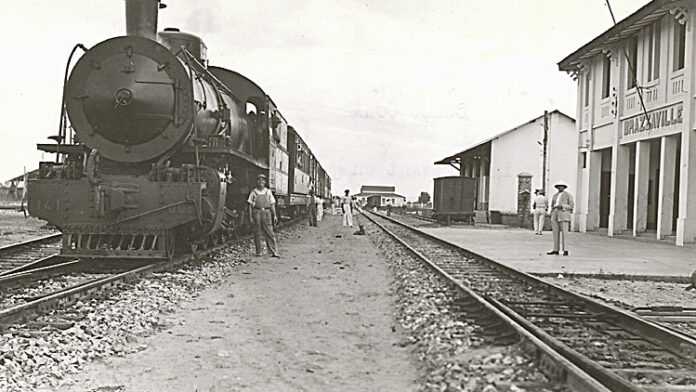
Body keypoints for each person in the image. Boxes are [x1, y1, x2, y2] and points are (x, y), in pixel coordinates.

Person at [247, 174, 280, 257]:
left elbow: (272, 204)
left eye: (263, 180)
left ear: (265, 182)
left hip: (266, 212)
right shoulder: (253, 192)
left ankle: (273, 251)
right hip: (256, 212)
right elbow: (250, 206)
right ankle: (259, 252)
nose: (261, 182)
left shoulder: (268, 192)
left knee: (269, 232)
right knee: (257, 233)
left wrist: (275, 215)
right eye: (259, 180)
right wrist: (250, 216)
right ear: (257, 182)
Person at [547, 181, 574, 256]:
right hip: (555, 213)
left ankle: (565, 249)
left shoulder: (568, 195)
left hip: (563, 213)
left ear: (564, 187)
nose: (560, 188)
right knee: (555, 232)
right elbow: (552, 205)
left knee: (565, 233)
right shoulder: (555, 195)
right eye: (558, 186)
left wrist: (562, 206)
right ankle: (556, 249)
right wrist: (551, 212)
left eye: (561, 186)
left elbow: (571, 206)